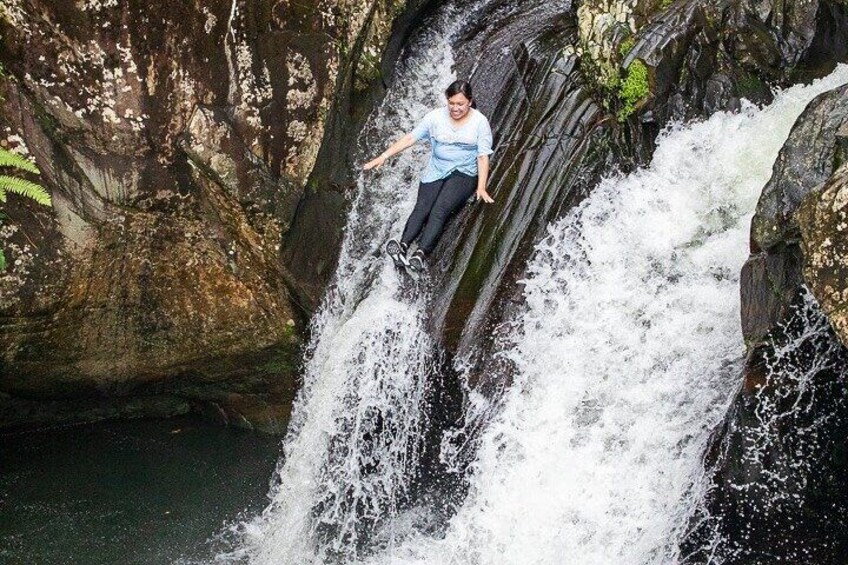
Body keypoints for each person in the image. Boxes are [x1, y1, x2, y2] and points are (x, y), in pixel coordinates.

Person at [363, 80, 495, 273]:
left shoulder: (479, 122)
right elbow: (410, 138)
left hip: (464, 173)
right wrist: (383, 156)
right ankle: (403, 246)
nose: (455, 108)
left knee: (439, 210)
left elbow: (483, 157)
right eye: (451, 103)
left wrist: (481, 187)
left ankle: (421, 254)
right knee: (422, 207)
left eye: (460, 104)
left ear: (469, 102)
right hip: (437, 168)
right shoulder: (435, 118)